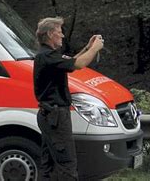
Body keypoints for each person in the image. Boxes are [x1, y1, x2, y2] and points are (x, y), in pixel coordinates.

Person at [34, 17, 104, 180]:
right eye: (59, 32)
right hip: (56, 117)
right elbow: (78, 65)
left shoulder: (47, 56)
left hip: (50, 115)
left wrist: (87, 47)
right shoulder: (48, 57)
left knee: (49, 165)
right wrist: (95, 49)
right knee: (67, 164)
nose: (63, 36)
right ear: (51, 34)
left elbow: (72, 62)